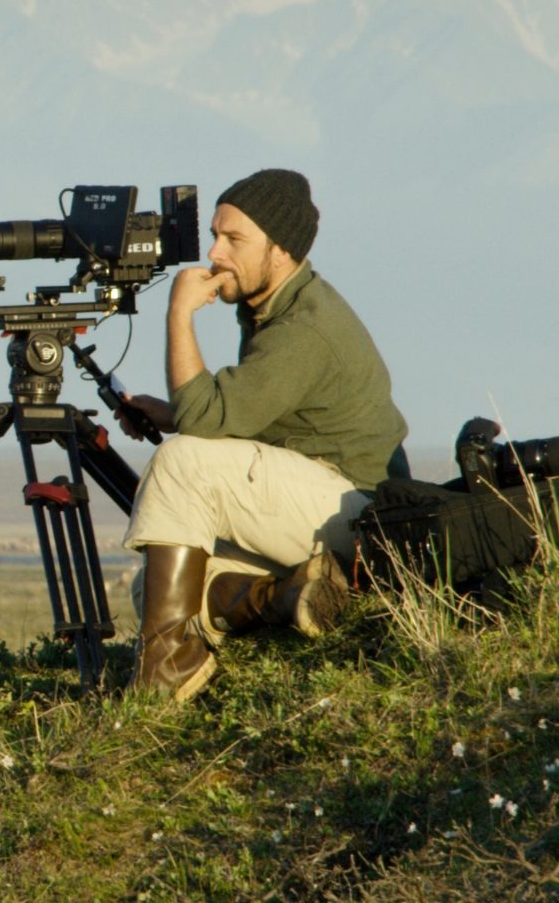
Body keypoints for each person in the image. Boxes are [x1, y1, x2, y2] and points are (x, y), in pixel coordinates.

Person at [112, 168, 408, 702]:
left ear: (281, 250)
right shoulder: (274, 306)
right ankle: (285, 596)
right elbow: (250, 412)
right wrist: (176, 411)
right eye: (215, 236)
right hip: (321, 503)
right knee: (151, 587)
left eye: (234, 239)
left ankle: (164, 672)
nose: (215, 253)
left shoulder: (304, 328)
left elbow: (207, 422)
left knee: (182, 461)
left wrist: (179, 316)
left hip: (358, 517)